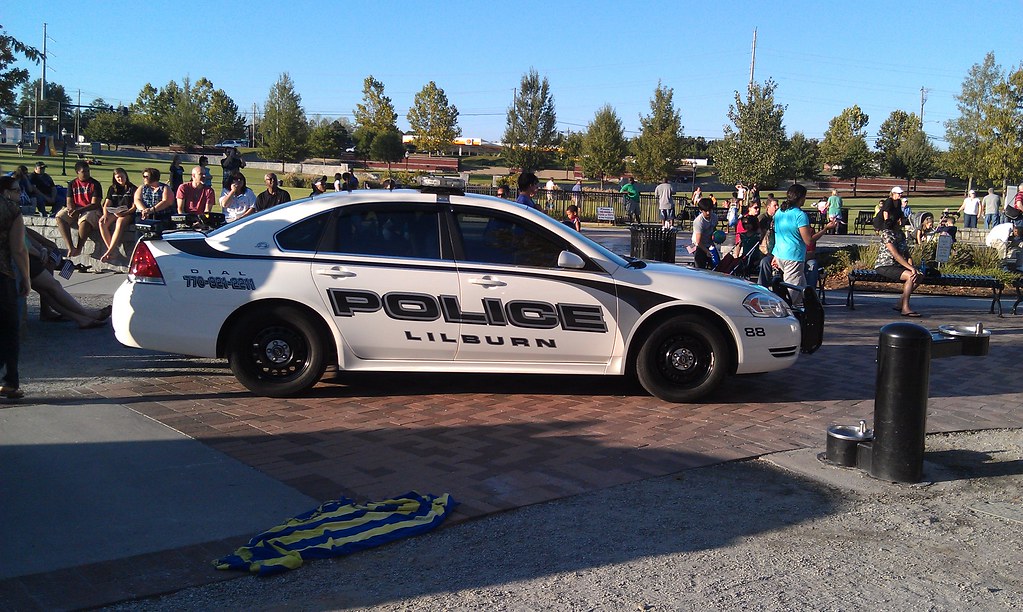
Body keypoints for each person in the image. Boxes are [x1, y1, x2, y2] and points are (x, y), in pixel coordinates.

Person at [24, 233, 111, 328]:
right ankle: (88, 314)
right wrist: (40, 252)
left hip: (26, 259)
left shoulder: (15, 221)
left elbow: (25, 235)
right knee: (54, 287)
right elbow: (21, 242)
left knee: (46, 292)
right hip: (25, 260)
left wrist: (42, 249)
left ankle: (82, 319)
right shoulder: (13, 219)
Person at [0, 175, 31, 399]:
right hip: (2, 275)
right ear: (4, 192)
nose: (19, 194)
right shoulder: (12, 211)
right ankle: (10, 381)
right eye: (15, 190)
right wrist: (26, 278)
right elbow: (18, 249)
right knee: (9, 329)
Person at [771, 184, 814, 307]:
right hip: (793, 257)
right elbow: (808, 241)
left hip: (780, 254)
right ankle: (781, 316)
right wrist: (826, 229)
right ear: (801, 198)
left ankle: (808, 313)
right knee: (791, 295)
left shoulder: (779, 212)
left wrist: (774, 254)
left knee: (803, 289)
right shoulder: (800, 215)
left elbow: (777, 233)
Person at [874, 206, 921, 317]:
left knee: (918, 276)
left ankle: (900, 303)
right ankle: (905, 308)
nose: (904, 221)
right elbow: (896, 255)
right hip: (885, 265)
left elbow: (906, 253)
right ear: (898, 220)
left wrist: (912, 266)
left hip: (897, 265)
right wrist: (910, 269)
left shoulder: (900, 233)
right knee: (910, 276)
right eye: (903, 218)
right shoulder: (887, 233)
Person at [56, 161, 103, 257]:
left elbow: (95, 204)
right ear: (77, 172)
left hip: (91, 209)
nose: (86, 173)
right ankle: (70, 247)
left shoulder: (95, 184)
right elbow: (69, 200)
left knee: (85, 220)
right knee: (60, 217)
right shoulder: (72, 184)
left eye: (88, 171)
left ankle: (79, 247)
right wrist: (71, 210)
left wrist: (79, 211)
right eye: (83, 171)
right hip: (76, 208)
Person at [97, 168, 137, 263]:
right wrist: (105, 214)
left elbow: (134, 207)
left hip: (127, 213)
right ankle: (113, 251)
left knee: (119, 222)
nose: (120, 179)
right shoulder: (112, 188)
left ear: (125, 176)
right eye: (118, 177)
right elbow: (106, 204)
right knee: (102, 222)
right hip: (115, 211)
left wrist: (124, 213)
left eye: (122, 177)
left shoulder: (133, 188)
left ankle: (109, 252)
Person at [688, 196, 719, 269]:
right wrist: (707, 251)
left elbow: (714, 230)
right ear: (701, 210)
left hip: (710, 245)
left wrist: (717, 237)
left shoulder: (715, 217)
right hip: (699, 246)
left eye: (710, 210)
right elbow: (698, 241)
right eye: (705, 211)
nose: (708, 213)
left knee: (717, 266)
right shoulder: (698, 222)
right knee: (700, 268)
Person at [757, 197, 780, 286]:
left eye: (777, 205)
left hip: (776, 251)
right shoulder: (762, 218)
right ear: (768, 207)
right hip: (765, 250)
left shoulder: (778, 218)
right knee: (765, 262)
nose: (777, 207)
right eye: (775, 205)